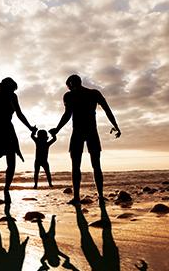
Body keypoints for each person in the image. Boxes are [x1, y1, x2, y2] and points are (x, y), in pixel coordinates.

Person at [49, 74, 121, 205]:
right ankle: (99, 196)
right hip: (91, 131)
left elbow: (67, 114)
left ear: (71, 84)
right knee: (95, 165)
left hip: (79, 132)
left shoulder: (70, 96)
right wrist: (115, 125)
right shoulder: (93, 93)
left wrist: (57, 129)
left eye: (69, 86)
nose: (69, 89)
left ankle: (78, 198)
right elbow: (107, 110)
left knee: (77, 166)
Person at [0, 77, 36, 204]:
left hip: (9, 130)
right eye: (10, 88)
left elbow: (20, 114)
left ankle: (6, 189)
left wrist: (30, 127)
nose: (11, 91)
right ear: (4, 86)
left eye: (13, 89)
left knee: (11, 162)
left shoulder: (13, 97)